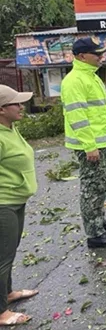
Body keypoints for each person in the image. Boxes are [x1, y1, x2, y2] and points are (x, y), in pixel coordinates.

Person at [60, 37, 106, 248]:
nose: (101, 57)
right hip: (90, 146)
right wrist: (90, 146)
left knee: (103, 183)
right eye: (97, 54)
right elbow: (77, 117)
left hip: (102, 142)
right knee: (92, 188)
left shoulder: (91, 77)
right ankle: (94, 234)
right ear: (81, 56)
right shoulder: (74, 81)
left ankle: (99, 220)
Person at [0, 86, 38, 326]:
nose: (21, 106)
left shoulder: (11, 130)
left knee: (9, 251)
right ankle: (1, 312)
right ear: (2, 109)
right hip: (3, 203)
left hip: (17, 199)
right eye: (16, 103)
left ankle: (7, 293)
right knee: (2, 256)